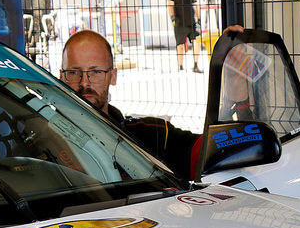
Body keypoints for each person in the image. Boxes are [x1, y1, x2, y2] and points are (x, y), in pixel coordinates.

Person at [59, 28, 198, 175]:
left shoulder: (152, 137)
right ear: (61, 77)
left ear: (113, 76)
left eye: (96, 72)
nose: (84, 83)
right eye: (74, 72)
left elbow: (208, 149)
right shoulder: (46, 139)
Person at [168, 0, 201, 72]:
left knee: (197, 41)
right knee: (180, 45)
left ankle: (195, 65)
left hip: (192, 23)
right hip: (180, 24)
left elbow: (196, 6)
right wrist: (172, 18)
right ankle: (180, 66)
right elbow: (170, 6)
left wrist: (199, 19)